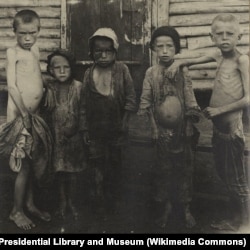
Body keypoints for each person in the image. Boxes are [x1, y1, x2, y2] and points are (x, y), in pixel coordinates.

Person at [166, 14, 250, 232]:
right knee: (224, 176)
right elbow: (196, 58)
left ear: (239, 36)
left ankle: (246, 224)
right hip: (218, 130)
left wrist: (219, 110)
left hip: (232, 131)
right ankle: (233, 219)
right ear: (211, 36)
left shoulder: (242, 60)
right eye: (219, 34)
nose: (224, 38)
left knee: (238, 182)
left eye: (229, 34)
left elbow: (248, 98)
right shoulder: (219, 56)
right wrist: (179, 62)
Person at [137, 26, 201, 229]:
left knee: (184, 170)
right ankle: (165, 208)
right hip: (162, 133)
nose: (164, 51)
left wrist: (190, 125)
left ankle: (185, 208)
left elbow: (190, 100)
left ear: (176, 49)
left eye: (169, 46)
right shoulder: (151, 73)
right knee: (162, 170)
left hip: (183, 131)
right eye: (159, 46)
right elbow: (146, 102)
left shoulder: (183, 70)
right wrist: (155, 129)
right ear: (153, 49)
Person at [0, 9, 53, 230]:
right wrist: (24, 114)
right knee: (22, 166)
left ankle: (29, 203)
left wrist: (46, 88)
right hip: (21, 117)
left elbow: (36, 76)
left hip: (35, 116)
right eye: (23, 34)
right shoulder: (13, 53)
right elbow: (12, 85)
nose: (28, 38)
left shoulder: (35, 50)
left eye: (32, 33)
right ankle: (16, 211)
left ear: (39, 31)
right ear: (14, 32)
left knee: (31, 162)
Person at [79, 28, 137, 218]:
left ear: (115, 52)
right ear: (91, 52)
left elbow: (130, 99)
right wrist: (85, 129)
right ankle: (98, 202)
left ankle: (114, 201)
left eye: (108, 51)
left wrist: (125, 123)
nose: (103, 56)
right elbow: (84, 104)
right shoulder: (88, 74)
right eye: (98, 51)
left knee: (115, 165)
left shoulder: (122, 70)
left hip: (117, 129)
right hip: (96, 130)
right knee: (96, 166)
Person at [46, 50, 87, 220]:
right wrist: (46, 87)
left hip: (74, 137)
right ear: (50, 70)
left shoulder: (79, 87)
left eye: (66, 68)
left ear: (72, 69)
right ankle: (62, 202)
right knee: (59, 170)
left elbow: (84, 111)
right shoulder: (50, 88)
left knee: (73, 172)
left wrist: (80, 130)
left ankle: (73, 202)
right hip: (56, 136)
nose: (62, 71)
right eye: (57, 68)